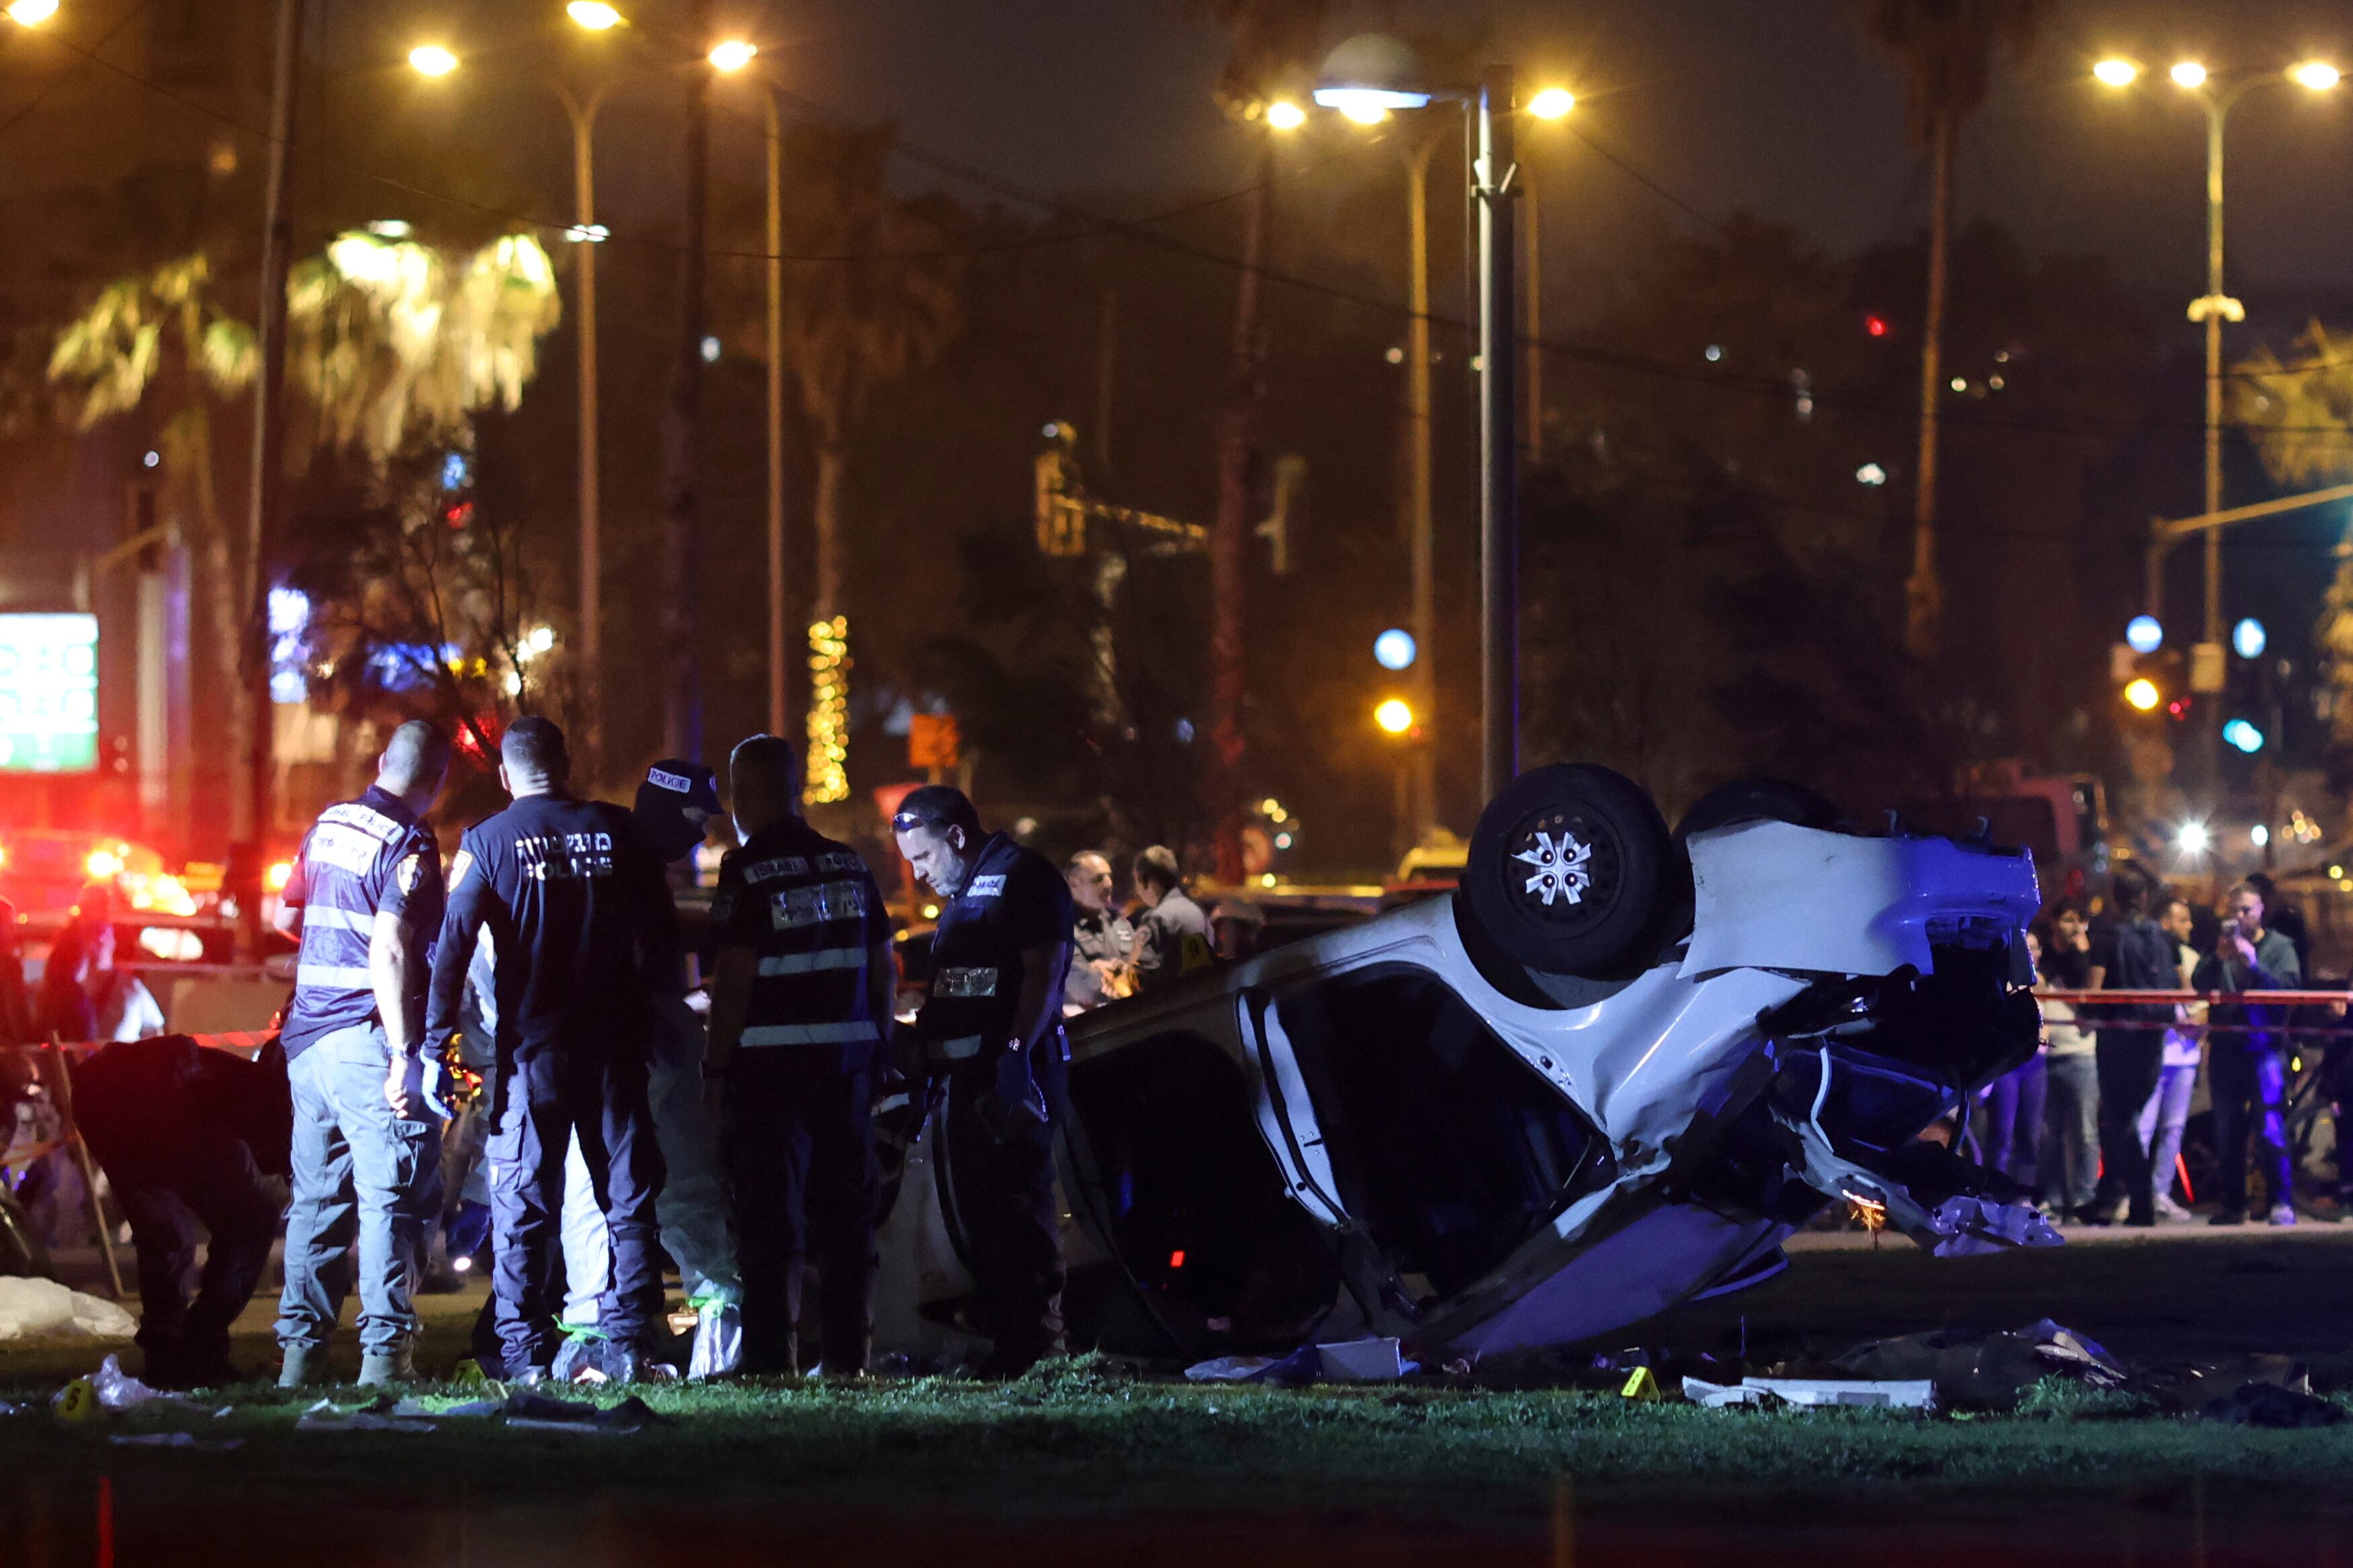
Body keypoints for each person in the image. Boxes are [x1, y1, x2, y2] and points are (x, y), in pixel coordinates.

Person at [424, 717, 680, 1383]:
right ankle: (627, 1337)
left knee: (523, 1201)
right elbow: (661, 936)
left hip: (532, 1052)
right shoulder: (620, 831)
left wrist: (433, 1043)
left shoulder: (486, 841)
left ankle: (521, 1349)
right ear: (566, 764)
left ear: (506, 776)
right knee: (625, 1196)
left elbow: (452, 948)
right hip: (612, 1048)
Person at [547, 759, 747, 1380]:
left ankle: (593, 1332)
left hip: (592, 1051)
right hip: (645, 1050)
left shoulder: (606, 859)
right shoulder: (634, 871)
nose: (699, 834)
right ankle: (715, 1322)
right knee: (682, 1179)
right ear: (663, 810)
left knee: (592, 1186)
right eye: (694, 818)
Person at [704, 735, 893, 1377]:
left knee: (769, 1222)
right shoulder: (849, 865)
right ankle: (848, 1358)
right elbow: (881, 968)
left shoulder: (747, 870)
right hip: (845, 1070)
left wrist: (715, 1067)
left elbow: (733, 978)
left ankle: (768, 1360)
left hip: (769, 1076)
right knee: (846, 1223)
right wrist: (877, 1048)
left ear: (747, 796)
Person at [272, 720, 451, 1387]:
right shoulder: (409, 843)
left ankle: (299, 1360)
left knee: (316, 1204)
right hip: (365, 1039)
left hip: (306, 1042)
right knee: (393, 1197)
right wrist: (406, 1052)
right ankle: (384, 1362)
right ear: (437, 782)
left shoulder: (328, 824)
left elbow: (282, 913)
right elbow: (392, 947)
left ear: (382, 762)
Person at [892, 786, 1073, 1375]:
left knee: (1016, 1210)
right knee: (984, 1215)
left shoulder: (1023, 875)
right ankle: (1008, 1344)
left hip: (1006, 1079)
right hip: (966, 1082)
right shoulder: (970, 888)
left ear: (956, 837)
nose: (918, 875)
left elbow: (1043, 970)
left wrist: (1016, 1054)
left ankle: (1036, 1348)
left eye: (922, 859)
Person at [73, 1035, 291, 1388]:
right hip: (151, 1093)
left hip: (99, 1089)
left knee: (166, 1232)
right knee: (252, 1220)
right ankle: (198, 1345)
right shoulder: (275, 1104)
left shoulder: (244, 1084)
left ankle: (168, 1355)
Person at [2195, 880, 2303, 1226]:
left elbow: (2289, 992)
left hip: (2265, 1048)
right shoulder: (2220, 948)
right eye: (2234, 911)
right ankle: (2233, 1205)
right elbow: (2199, 984)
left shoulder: (2280, 947)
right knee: (2228, 1131)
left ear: (2261, 912)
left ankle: (2280, 1202)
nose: (2239, 917)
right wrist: (2217, 959)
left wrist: (2254, 965)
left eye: (2246, 910)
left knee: (2270, 1128)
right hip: (2227, 1049)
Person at [2087, 876, 2179, 1228]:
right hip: (2154, 1037)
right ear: (2144, 896)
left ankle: (2141, 1201)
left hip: (2117, 1037)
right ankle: (2106, 1196)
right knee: (2127, 1119)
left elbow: (2095, 994)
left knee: (2118, 1120)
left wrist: (2084, 1014)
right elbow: (2182, 987)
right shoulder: (2165, 938)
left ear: (2115, 897)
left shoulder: (2108, 938)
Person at [2138, 896, 2204, 1222]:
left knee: (2174, 1129)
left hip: (2185, 1056)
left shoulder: (2192, 957)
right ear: (2165, 922)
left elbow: (2204, 1000)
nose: (2189, 926)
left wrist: (2198, 1022)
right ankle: (2133, 1193)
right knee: (2143, 1127)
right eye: (2183, 919)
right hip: (2153, 1054)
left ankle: (2160, 1192)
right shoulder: (2149, 956)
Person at [2035, 902, 2099, 1219]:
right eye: (2069, 919)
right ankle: (2055, 1197)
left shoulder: (2085, 959)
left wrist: (2083, 951)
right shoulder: (2044, 957)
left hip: (2081, 1054)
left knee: (2085, 1132)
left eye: (2080, 920)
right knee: (2049, 1133)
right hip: (2048, 1054)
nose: (2075, 926)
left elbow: (2092, 994)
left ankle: (2086, 1198)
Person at [1980, 929, 2048, 1190]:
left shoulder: (2041, 983)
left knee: (2030, 1133)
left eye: (2036, 948)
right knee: (2002, 1133)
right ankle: (1994, 1191)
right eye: (2027, 949)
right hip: (2009, 1062)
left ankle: (2023, 1192)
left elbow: (2046, 1024)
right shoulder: (2003, 981)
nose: (2032, 954)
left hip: (2035, 1062)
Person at [1128, 845, 1210, 995]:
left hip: (1172, 1006)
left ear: (1145, 880)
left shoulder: (1156, 919)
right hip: (1202, 999)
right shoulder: (1197, 911)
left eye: (1137, 881)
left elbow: (1140, 974)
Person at [1063, 851, 1133, 1013]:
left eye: (1109, 876)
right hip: (1092, 1030)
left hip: (1132, 1020)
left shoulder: (1119, 923)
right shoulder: (1060, 931)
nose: (1108, 884)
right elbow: (1083, 989)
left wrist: (1114, 971)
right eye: (1099, 879)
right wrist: (1122, 975)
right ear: (1074, 884)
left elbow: (1142, 968)